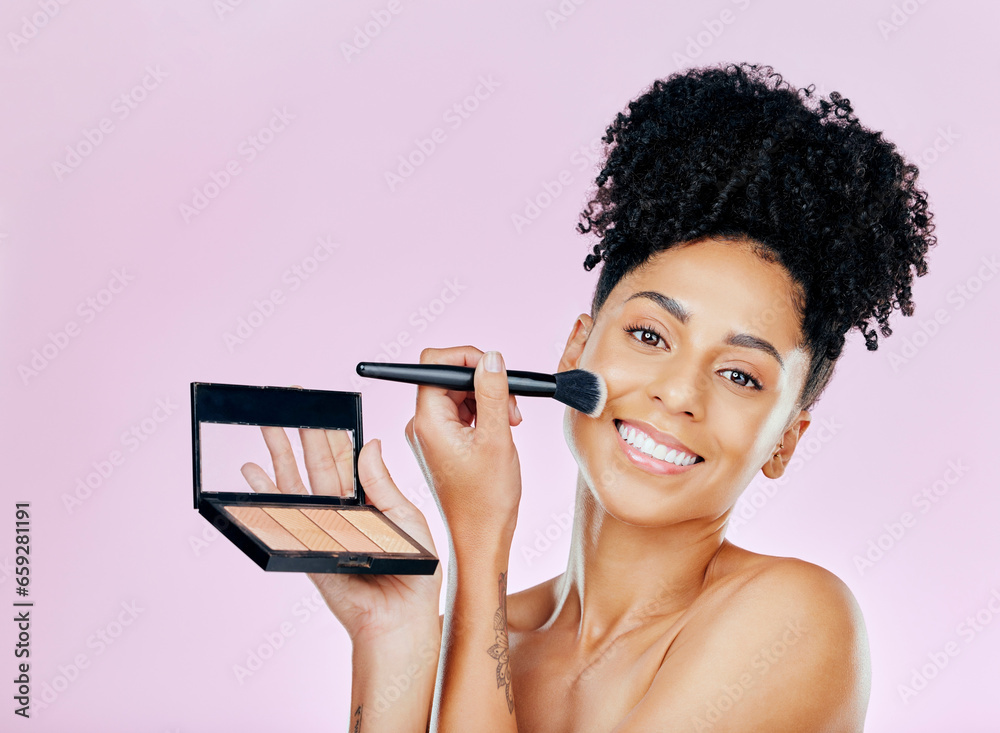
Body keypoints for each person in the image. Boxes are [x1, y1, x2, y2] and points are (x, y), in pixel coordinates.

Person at [246, 62, 936, 731]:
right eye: (649, 333)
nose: (677, 392)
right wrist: (390, 635)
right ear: (576, 351)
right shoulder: (473, 635)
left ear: (784, 439)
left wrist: (479, 541)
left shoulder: (795, 623)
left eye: (740, 375)